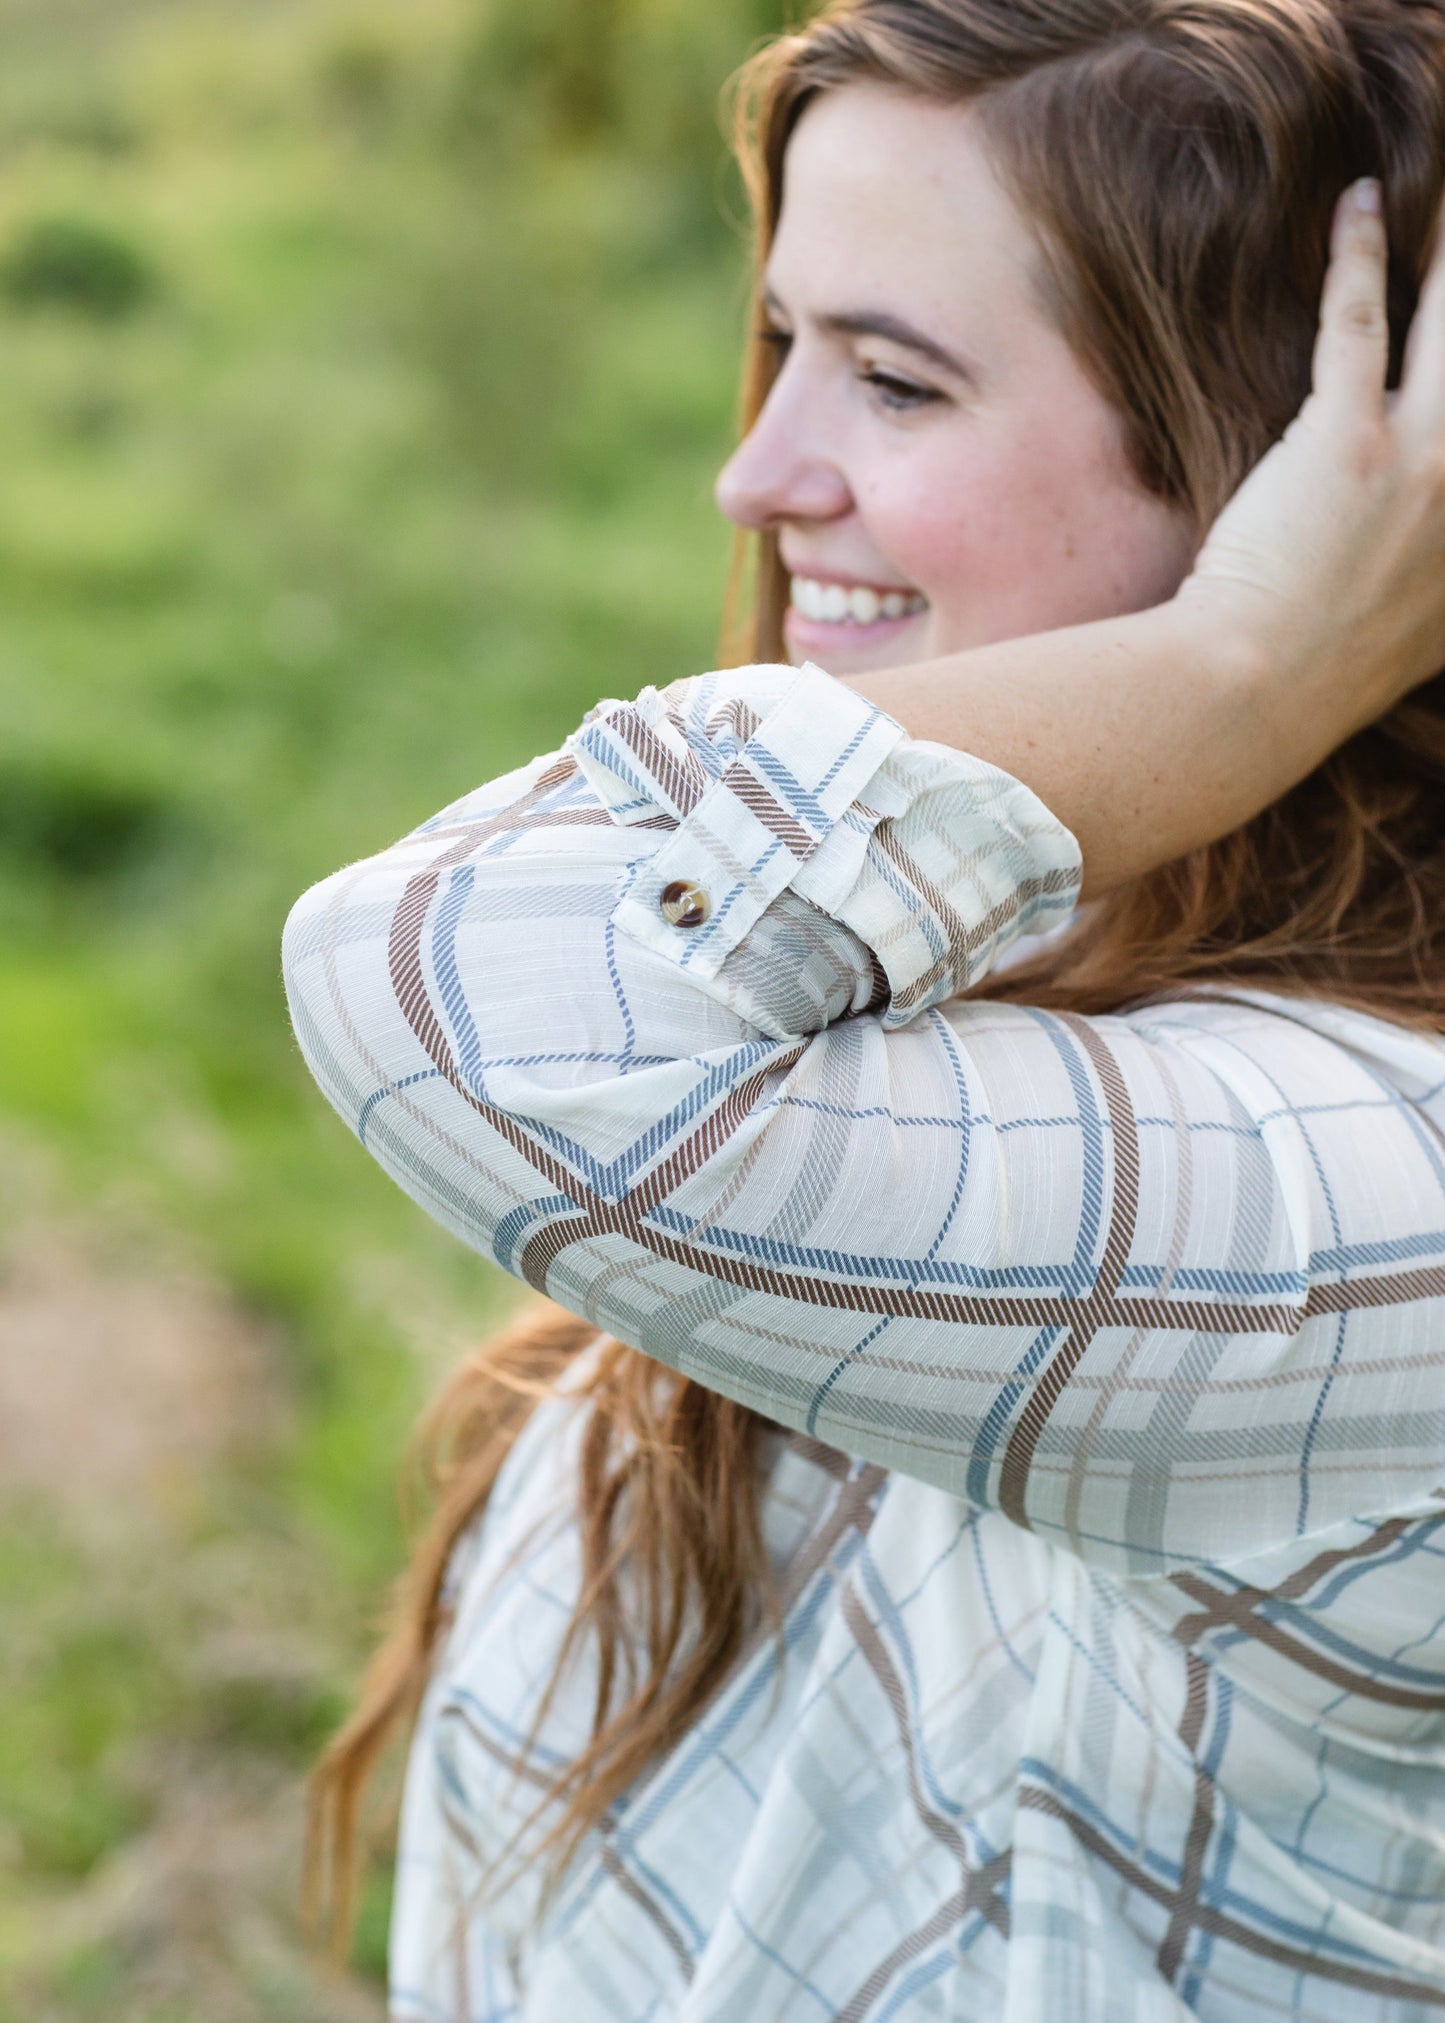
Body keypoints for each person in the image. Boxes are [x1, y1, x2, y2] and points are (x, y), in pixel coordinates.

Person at [284, 0, 1445, 2014]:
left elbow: (450, 983)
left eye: (895, 383)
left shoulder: (1371, 1185)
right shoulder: (951, 958)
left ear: (1298, 469)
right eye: (781, 345)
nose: (755, 474)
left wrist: (1250, 663)